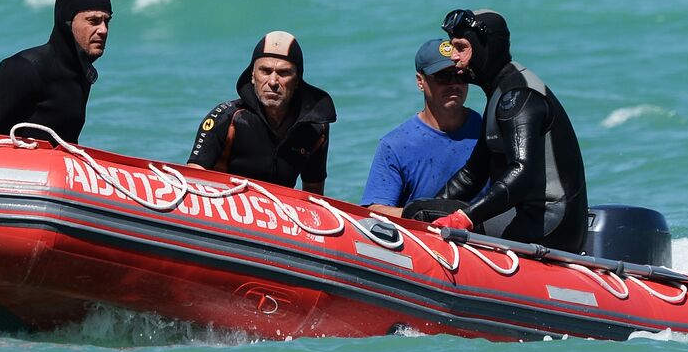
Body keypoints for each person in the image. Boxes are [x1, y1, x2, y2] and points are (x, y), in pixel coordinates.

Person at [419, 8, 588, 252]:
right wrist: (427, 205)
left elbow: (522, 173)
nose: (454, 57)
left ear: (486, 47)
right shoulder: (500, 92)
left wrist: (465, 217)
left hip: (549, 227)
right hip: (530, 218)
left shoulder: (518, 97)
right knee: (422, 208)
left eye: (461, 47)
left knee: (421, 212)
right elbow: (472, 174)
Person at [187, 31, 336, 195]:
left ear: (298, 80)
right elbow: (192, 179)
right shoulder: (226, 118)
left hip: (279, 215)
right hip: (221, 208)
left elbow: (314, 196)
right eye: (265, 71)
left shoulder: (314, 129)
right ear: (252, 75)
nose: (273, 82)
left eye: (284, 73)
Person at [0, 0, 112, 143]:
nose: (103, 30)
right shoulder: (26, 69)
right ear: (67, 23)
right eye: (93, 21)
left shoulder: (81, 74)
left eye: (107, 21)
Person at [359, 38, 482, 218]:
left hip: (481, 238)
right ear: (420, 81)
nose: (453, 84)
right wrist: (421, 214)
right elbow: (375, 210)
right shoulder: (395, 145)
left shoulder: (488, 131)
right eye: (443, 77)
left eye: (460, 75)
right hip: (423, 240)